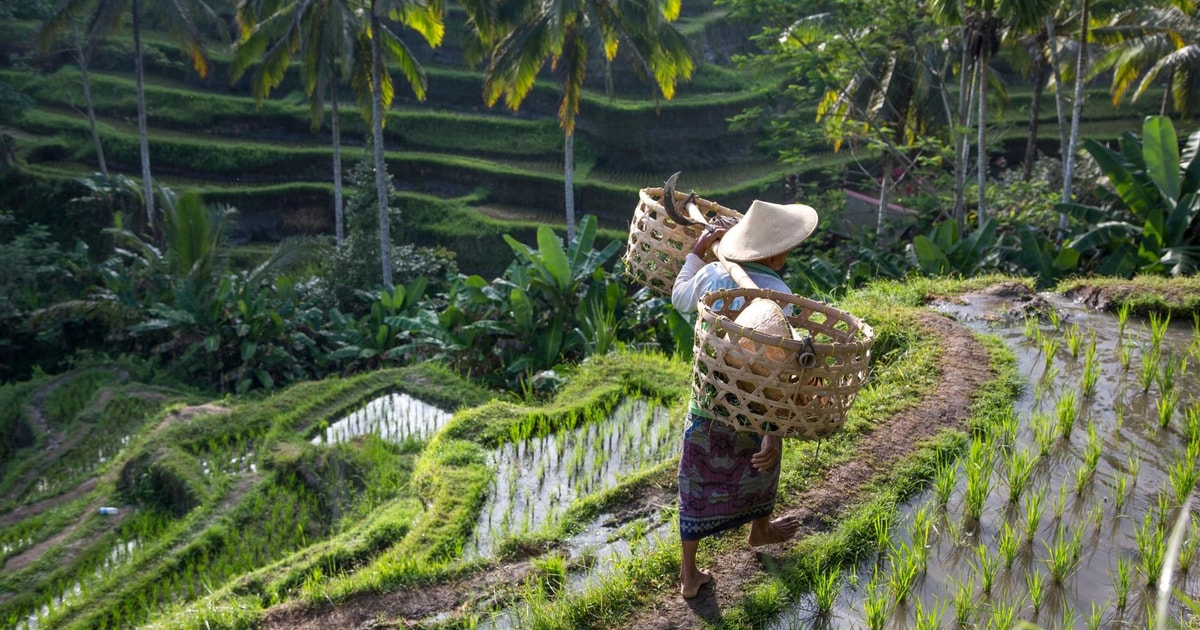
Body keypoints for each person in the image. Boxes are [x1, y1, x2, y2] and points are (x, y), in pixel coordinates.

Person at [670, 198, 820, 599]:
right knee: (763, 463)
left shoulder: (712, 274)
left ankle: (689, 574)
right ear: (775, 256)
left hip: (710, 396)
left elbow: (679, 297)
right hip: (757, 403)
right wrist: (775, 431)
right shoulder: (781, 295)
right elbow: (784, 371)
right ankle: (760, 528)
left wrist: (696, 253)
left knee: (696, 477)